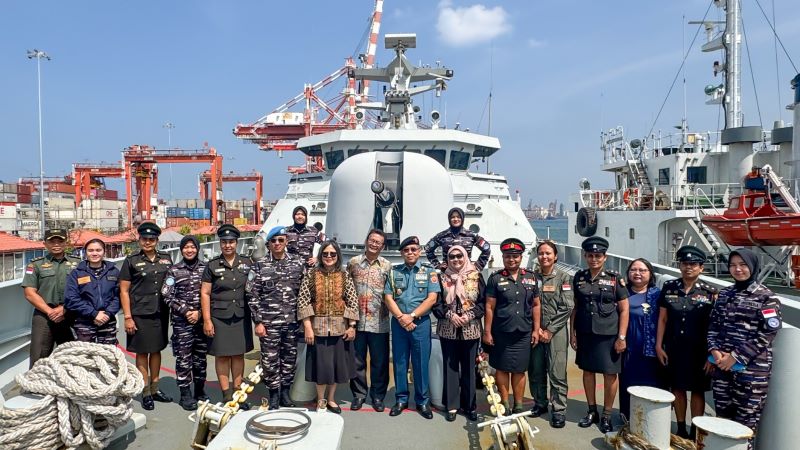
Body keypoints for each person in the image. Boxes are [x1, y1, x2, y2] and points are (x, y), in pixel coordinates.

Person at [707, 248, 781, 448]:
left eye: (743, 265)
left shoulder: (766, 298)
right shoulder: (725, 294)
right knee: (722, 419)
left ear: (753, 266)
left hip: (752, 374)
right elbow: (713, 325)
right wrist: (714, 350)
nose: (737, 269)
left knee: (745, 425)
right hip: (722, 369)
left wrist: (737, 357)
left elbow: (768, 332)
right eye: (733, 265)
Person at [570, 236, 629, 433]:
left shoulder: (614, 279)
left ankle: (606, 415)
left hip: (608, 335)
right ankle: (592, 410)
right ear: (585, 256)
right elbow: (575, 308)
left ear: (604, 257)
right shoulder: (579, 277)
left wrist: (621, 337)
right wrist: (573, 334)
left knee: (610, 374)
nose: (594, 259)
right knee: (587, 371)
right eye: (590, 255)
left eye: (598, 255)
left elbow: (624, 309)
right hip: (586, 333)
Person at [656, 246, 716, 438]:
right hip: (674, 348)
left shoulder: (710, 292)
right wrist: (658, 345)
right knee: (677, 388)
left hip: (699, 351)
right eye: (684, 263)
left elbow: (715, 326)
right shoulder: (670, 287)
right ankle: (681, 427)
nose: (688, 267)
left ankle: (695, 429)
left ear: (701, 268)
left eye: (693, 264)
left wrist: (711, 356)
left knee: (698, 391)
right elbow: (663, 319)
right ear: (680, 265)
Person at [247, 225, 306, 409]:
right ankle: (273, 395)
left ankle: (285, 394)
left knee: (289, 359)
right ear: (269, 244)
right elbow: (252, 295)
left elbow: (304, 294)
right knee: (269, 360)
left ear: (286, 242)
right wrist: (258, 322)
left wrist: (304, 321)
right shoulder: (260, 265)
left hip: (291, 322)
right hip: (269, 323)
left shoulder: (297, 264)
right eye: (274, 241)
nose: (278, 243)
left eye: (281, 240)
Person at [297, 241, 359, 413]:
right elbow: (303, 301)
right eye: (325, 254)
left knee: (336, 366)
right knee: (322, 366)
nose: (329, 257)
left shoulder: (344, 275)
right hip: (318, 329)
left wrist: (352, 326)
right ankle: (321, 399)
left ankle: (331, 399)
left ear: (338, 256)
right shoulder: (311, 274)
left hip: (340, 329)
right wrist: (308, 327)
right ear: (320, 256)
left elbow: (352, 301)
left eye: (332, 254)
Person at [384, 236, 441, 419]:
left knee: (420, 363)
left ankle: (422, 401)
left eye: (414, 249)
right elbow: (388, 297)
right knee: (400, 362)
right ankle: (401, 399)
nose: (410, 253)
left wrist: (412, 316)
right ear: (401, 253)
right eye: (406, 250)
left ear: (419, 251)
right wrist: (401, 317)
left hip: (420, 324)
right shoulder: (394, 272)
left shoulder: (430, 272)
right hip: (399, 324)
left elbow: (432, 298)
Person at [483, 238, 540, 415]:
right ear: (503, 257)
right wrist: (487, 331)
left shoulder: (531, 277)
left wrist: (536, 329)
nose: (512, 260)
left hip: (523, 332)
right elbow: (489, 307)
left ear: (521, 257)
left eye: (515, 256)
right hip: (501, 331)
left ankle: (519, 404)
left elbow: (536, 305)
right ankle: (505, 403)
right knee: (501, 368)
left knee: (519, 370)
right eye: (508, 256)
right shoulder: (495, 279)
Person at [120, 222, 173, 410]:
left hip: (160, 312)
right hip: (140, 313)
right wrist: (127, 317)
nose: (148, 242)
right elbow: (124, 290)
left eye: (152, 239)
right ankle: (145, 391)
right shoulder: (131, 260)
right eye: (144, 239)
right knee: (142, 352)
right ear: (139, 240)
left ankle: (155, 388)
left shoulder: (166, 259)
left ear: (157, 240)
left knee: (157, 349)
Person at [201, 224, 254, 408]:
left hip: (240, 315)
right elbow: (205, 293)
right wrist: (207, 320)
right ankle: (226, 393)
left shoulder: (247, 263)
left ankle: (238, 391)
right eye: (224, 242)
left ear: (236, 243)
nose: (228, 245)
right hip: (219, 318)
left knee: (238, 355)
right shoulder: (212, 265)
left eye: (231, 242)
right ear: (220, 243)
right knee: (222, 356)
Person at [432, 245, 485, 422]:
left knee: (470, 368)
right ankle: (452, 405)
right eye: (452, 257)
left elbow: (483, 303)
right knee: (451, 367)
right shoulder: (441, 277)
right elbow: (436, 303)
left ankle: (469, 406)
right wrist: (450, 315)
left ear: (465, 257)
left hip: (470, 330)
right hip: (448, 329)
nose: (456, 260)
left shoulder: (476, 276)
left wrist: (469, 315)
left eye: (459, 256)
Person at [528, 241, 573, 428]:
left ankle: (559, 409)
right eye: (540, 253)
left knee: (557, 371)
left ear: (555, 256)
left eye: (548, 253)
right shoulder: (531, 277)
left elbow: (567, 306)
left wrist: (550, 330)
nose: (544, 256)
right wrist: (536, 328)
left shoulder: (564, 278)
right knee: (536, 369)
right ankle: (540, 403)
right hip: (536, 331)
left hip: (557, 332)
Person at [347, 229, 392, 412]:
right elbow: (347, 290)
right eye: (372, 240)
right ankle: (358, 395)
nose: (374, 244)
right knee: (357, 360)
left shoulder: (387, 266)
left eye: (378, 242)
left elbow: (392, 293)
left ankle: (378, 396)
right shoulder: (353, 263)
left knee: (379, 361)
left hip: (379, 321)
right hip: (356, 321)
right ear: (366, 241)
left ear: (383, 246)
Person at [162, 235, 210, 411]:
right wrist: (185, 311)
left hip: (201, 320)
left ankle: (199, 390)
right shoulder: (174, 271)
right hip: (182, 323)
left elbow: (211, 293)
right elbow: (167, 295)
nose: (189, 250)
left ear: (197, 249)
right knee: (183, 359)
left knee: (200, 358)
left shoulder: (206, 269)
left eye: (192, 247)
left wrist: (198, 313)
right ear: (181, 250)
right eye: (186, 247)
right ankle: (185, 395)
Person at [22, 228, 81, 367]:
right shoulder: (35, 264)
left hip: (71, 312)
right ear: (45, 244)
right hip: (44, 314)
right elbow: (30, 293)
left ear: (66, 243)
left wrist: (64, 308)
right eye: (52, 241)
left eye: (60, 241)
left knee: (74, 355)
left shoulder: (78, 263)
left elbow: (84, 290)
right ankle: (36, 386)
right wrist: (50, 311)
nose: (56, 244)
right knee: (39, 356)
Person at [619, 258, 663, 421]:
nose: (637, 273)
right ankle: (627, 418)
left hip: (650, 350)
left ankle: (650, 419)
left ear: (650, 274)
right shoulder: (622, 291)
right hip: (627, 348)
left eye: (642, 270)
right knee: (628, 383)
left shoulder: (657, 294)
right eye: (633, 270)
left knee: (650, 385)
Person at [64, 239, 120, 345]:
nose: (94, 253)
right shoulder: (77, 273)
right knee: (86, 358)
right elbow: (71, 298)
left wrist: (107, 314)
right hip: (84, 322)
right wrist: (94, 313)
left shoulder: (114, 271)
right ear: (85, 252)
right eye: (91, 250)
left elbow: (118, 296)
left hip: (107, 321)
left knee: (108, 356)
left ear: (104, 251)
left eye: (98, 250)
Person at [425, 207, 491, 271]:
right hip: (448, 274)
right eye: (453, 217)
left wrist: (477, 266)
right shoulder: (442, 235)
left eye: (458, 217)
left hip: (467, 274)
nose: (456, 219)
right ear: (449, 219)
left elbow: (486, 248)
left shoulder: (471, 235)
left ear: (462, 219)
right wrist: (437, 265)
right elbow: (428, 249)